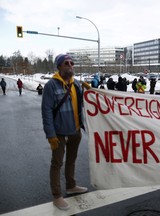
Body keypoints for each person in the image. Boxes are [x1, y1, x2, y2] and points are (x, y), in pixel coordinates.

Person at [41, 54, 88, 210]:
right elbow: (46, 111)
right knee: (57, 164)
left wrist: (90, 91)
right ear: (59, 66)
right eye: (66, 63)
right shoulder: (51, 86)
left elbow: (84, 104)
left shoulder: (76, 84)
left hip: (75, 130)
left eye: (72, 63)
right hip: (59, 133)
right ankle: (56, 196)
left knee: (71, 160)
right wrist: (51, 135)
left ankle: (71, 185)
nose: (70, 65)